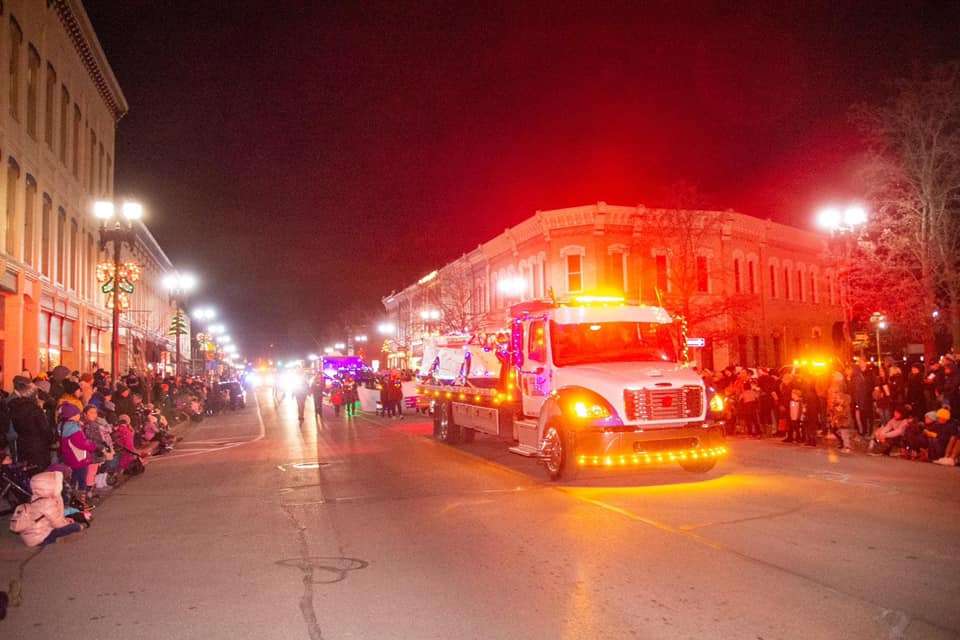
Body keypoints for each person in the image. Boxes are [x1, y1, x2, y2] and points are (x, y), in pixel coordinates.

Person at [9, 471, 85, 547]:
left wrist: (65, 519)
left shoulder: (36, 497)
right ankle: (53, 539)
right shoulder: (47, 503)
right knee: (76, 526)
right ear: (50, 486)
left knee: (68, 523)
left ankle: (56, 538)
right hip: (40, 537)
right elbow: (57, 523)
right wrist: (67, 523)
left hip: (31, 536)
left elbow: (50, 519)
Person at [8, 378, 54, 469]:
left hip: (22, 444)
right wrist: (51, 439)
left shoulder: (14, 406)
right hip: (38, 447)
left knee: (27, 472)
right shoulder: (35, 410)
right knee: (38, 474)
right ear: (34, 395)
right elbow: (44, 429)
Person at [58, 404, 98, 494]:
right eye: (78, 414)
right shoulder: (74, 429)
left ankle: (71, 498)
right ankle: (81, 501)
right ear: (73, 415)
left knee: (73, 478)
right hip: (79, 459)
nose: (79, 415)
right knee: (81, 481)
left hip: (69, 457)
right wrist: (92, 446)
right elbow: (82, 443)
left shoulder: (62, 426)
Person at [829, 388, 855, 453]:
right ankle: (845, 446)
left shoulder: (845, 406)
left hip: (845, 422)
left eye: (839, 398)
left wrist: (838, 412)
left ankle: (847, 447)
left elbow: (843, 414)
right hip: (842, 422)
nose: (837, 399)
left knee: (845, 435)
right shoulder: (839, 404)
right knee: (843, 434)